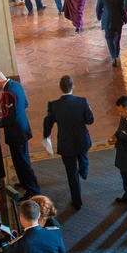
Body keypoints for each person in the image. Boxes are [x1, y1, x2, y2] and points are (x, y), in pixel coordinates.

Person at [0, 69, 39, 199]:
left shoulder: (8, 93)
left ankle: (32, 190)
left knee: (22, 162)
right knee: (21, 161)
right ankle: (26, 182)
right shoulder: (16, 85)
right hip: (22, 129)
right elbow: (24, 104)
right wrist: (7, 111)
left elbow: (10, 120)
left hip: (16, 133)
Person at [42, 75, 94, 210]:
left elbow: (48, 123)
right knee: (83, 156)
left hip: (66, 143)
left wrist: (46, 135)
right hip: (82, 139)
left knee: (71, 172)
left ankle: (77, 201)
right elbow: (90, 120)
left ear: (60, 88)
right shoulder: (82, 102)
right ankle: (84, 170)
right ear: (74, 87)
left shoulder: (54, 105)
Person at [95, 0, 126, 67]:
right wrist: (125, 18)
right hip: (118, 19)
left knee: (109, 38)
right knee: (117, 37)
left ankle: (113, 56)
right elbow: (122, 9)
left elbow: (98, 9)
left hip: (107, 20)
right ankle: (117, 52)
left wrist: (99, 17)